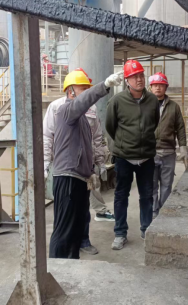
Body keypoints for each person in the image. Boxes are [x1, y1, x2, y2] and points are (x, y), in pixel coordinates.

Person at [48, 69, 124, 259]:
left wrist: (94, 169)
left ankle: (72, 265)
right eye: (83, 88)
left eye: (87, 88)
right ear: (70, 91)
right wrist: (104, 85)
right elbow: (82, 102)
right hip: (67, 177)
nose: (86, 92)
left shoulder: (82, 118)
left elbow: (89, 145)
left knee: (76, 228)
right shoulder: (66, 110)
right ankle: (57, 267)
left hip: (81, 178)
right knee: (64, 230)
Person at [106, 60, 160, 250]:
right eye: (134, 76)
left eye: (141, 75)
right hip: (124, 158)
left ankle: (146, 229)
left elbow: (155, 122)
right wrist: (123, 144)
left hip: (146, 157)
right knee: (121, 196)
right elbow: (110, 127)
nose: (139, 79)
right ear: (127, 80)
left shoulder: (152, 100)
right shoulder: (117, 101)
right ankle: (120, 233)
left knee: (147, 195)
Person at [149, 72, 188, 220]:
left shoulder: (174, 107)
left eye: (161, 85)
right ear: (150, 87)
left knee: (166, 185)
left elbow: (180, 128)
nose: (158, 88)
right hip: (150, 153)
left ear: (166, 87)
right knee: (151, 186)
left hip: (168, 153)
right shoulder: (145, 105)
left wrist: (183, 147)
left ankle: (163, 213)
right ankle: (153, 212)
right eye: (155, 85)